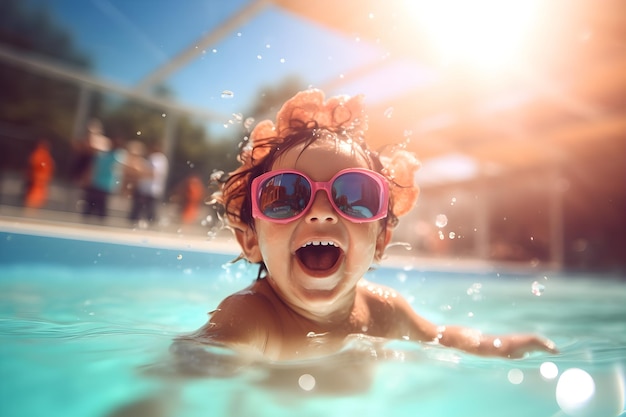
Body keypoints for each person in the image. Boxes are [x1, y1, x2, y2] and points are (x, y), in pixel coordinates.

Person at [181, 89, 557, 362]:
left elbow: (441, 337)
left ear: (381, 241)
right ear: (250, 240)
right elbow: (194, 362)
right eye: (287, 195)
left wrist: (499, 345)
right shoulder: (252, 317)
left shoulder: (384, 310)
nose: (322, 213)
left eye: (356, 195)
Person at [82, 137, 127, 219]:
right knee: (100, 211)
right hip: (103, 186)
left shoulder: (101, 155)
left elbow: (92, 168)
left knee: (90, 209)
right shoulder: (118, 156)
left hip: (96, 184)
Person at [129, 142, 169, 226]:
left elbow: (153, 174)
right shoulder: (161, 159)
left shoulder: (155, 158)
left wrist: (139, 172)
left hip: (147, 191)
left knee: (139, 215)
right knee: (148, 215)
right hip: (150, 191)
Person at [23, 138, 55, 209]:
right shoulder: (41, 155)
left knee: (34, 202)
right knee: (33, 202)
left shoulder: (41, 155)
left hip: (38, 183)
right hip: (37, 183)